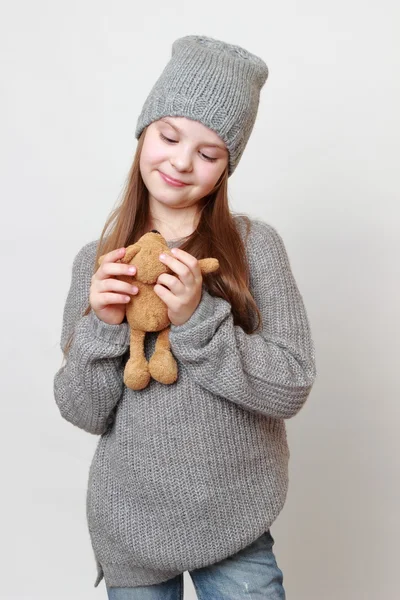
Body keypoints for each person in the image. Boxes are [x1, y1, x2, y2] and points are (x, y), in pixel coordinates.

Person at [54, 35, 317, 599]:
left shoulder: (254, 247)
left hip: (234, 521)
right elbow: (82, 409)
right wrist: (102, 326)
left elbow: (292, 383)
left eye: (208, 151)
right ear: (143, 133)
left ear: (228, 166)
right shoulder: (97, 263)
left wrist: (198, 320)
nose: (180, 161)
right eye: (169, 136)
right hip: (130, 523)